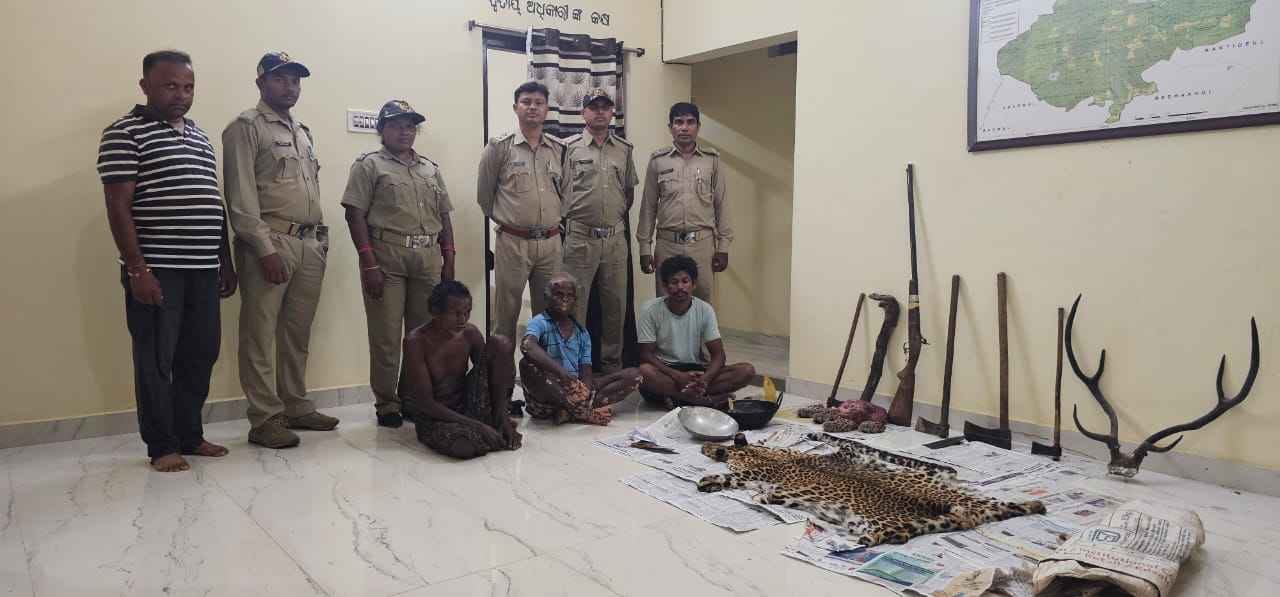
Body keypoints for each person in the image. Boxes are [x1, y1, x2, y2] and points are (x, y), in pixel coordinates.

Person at [97, 50, 236, 472]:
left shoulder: (199, 135)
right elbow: (118, 207)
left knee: (201, 353)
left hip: (203, 269)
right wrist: (138, 269)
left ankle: (190, 435)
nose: (181, 94)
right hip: (158, 269)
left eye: (188, 87)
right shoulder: (123, 133)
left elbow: (212, 202)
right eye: (170, 86)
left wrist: (225, 260)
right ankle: (161, 445)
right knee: (156, 359)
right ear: (145, 86)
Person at [223, 51, 338, 448]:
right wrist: (263, 248)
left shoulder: (302, 131)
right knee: (259, 334)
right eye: (280, 79)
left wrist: (318, 241)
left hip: (309, 243)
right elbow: (240, 196)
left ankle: (296, 405)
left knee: (296, 332)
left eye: (295, 80)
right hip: (271, 242)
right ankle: (265, 418)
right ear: (261, 83)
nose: (290, 86)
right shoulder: (245, 127)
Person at [342, 100, 456, 428]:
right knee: (386, 336)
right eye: (397, 125)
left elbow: (444, 217)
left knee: (423, 334)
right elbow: (354, 214)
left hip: (427, 258)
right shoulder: (369, 165)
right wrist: (368, 263)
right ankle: (387, 402)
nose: (405, 132)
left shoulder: (430, 169)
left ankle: (413, 397)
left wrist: (449, 258)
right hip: (387, 257)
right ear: (382, 129)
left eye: (410, 126)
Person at [476, 81, 567, 342]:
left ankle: (541, 369)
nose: (532, 108)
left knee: (550, 315)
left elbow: (566, 195)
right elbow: (485, 197)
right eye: (526, 102)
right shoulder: (499, 147)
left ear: (547, 109)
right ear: (516, 107)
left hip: (551, 244)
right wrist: (512, 222)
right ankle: (501, 369)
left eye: (539, 103)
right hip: (513, 242)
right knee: (506, 315)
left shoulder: (559, 149)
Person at [557, 88, 638, 374]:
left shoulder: (624, 149)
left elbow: (628, 194)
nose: (600, 112)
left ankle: (612, 366)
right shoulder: (568, 148)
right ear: (583, 113)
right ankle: (574, 367)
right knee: (573, 306)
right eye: (594, 107)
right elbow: (558, 191)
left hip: (614, 240)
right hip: (580, 238)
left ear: (612, 112)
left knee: (616, 306)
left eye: (605, 107)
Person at [403, 281, 521, 459]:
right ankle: (485, 431)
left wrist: (502, 414)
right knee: (464, 447)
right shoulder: (415, 342)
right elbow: (425, 403)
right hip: (435, 417)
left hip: (468, 405)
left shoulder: (469, 333)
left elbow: (489, 374)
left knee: (500, 344)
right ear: (435, 311)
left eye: (467, 312)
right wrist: (478, 426)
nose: (463, 319)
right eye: (456, 314)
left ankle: (499, 421)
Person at [637, 102, 733, 304]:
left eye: (690, 122)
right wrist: (645, 248)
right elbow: (648, 207)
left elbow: (721, 204)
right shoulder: (658, 161)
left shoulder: (711, 160)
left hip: (702, 245)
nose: (684, 127)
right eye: (678, 122)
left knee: (703, 303)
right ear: (670, 127)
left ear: (698, 126)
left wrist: (723, 246)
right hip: (667, 245)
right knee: (666, 303)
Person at [518, 273, 641, 425]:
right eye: (559, 294)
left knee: (634, 375)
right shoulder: (540, 322)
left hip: (574, 391)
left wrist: (584, 392)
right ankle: (581, 412)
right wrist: (563, 374)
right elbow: (527, 345)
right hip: (547, 396)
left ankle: (571, 411)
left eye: (570, 296)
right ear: (547, 298)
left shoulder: (582, 332)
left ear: (575, 301)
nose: (565, 299)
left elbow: (586, 371)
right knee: (526, 364)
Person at [637, 256, 755, 409]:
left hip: (694, 371)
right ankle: (700, 400)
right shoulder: (650, 309)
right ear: (665, 286)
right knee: (644, 372)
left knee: (746, 371)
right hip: (665, 371)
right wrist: (677, 376)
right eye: (674, 282)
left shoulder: (705, 310)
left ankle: (680, 398)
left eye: (685, 281)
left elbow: (719, 355)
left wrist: (704, 380)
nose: (680, 287)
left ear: (694, 284)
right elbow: (645, 355)